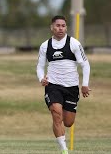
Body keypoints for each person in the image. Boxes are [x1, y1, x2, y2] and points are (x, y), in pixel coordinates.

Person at [36, 15, 91, 154]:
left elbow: (85, 64)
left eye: (63, 26)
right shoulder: (45, 46)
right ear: (52, 27)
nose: (60, 28)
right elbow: (40, 66)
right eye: (58, 25)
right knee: (56, 113)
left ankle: (63, 141)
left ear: (66, 27)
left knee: (68, 122)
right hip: (53, 85)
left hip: (71, 87)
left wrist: (84, 84)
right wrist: (41, 78)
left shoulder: (74, 43)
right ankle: (63, 149)